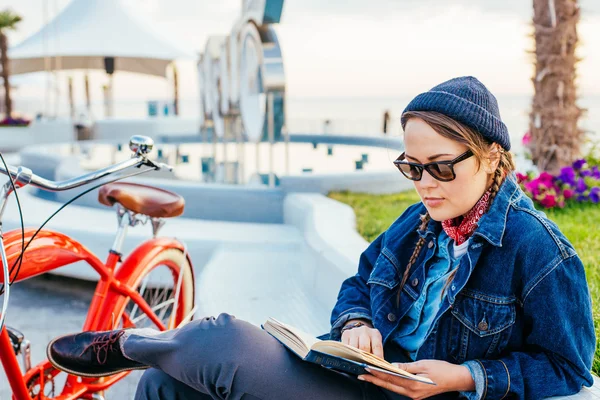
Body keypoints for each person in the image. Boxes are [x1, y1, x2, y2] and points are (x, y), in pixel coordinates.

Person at [47, 76, 595, 400]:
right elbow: (359, 283)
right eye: (412, 167)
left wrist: (462, 377)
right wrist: (357, 325)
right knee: (163, 388)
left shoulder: (538, 250)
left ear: (491, 156)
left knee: (222, 340)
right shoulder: (421, 224)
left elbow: (569, 366)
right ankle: (144, 355)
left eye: (441, 168)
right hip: (363, 383)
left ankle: (129, 345)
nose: (425, 185)